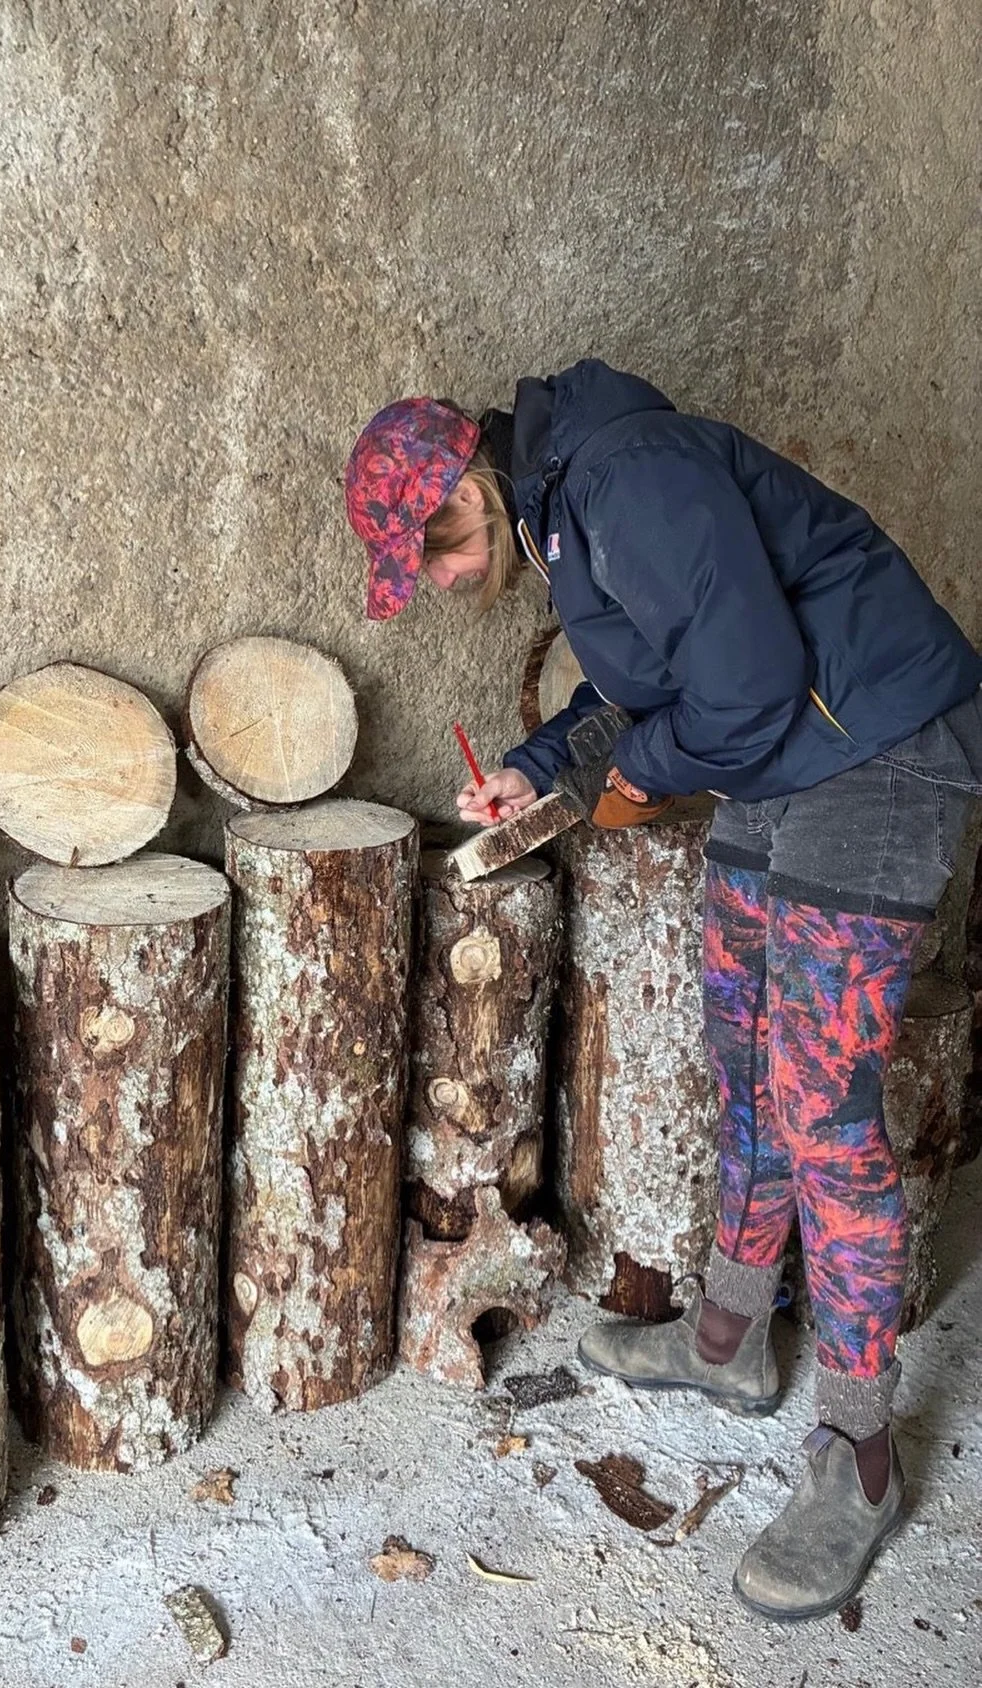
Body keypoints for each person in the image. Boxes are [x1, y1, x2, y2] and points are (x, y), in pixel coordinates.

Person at [344, 359, 982, 1621]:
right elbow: (645, 684)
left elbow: (736, 692)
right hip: (797, 754)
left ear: (466, 484)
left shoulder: (626, 479)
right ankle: (731, 1338)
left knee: (825, 1108)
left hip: (888, 749)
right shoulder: (564, 515)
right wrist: (543, 769)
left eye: (438, 557)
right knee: (738, 1049)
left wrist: (624, 775)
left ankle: (858, 1460)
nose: (445, 584)